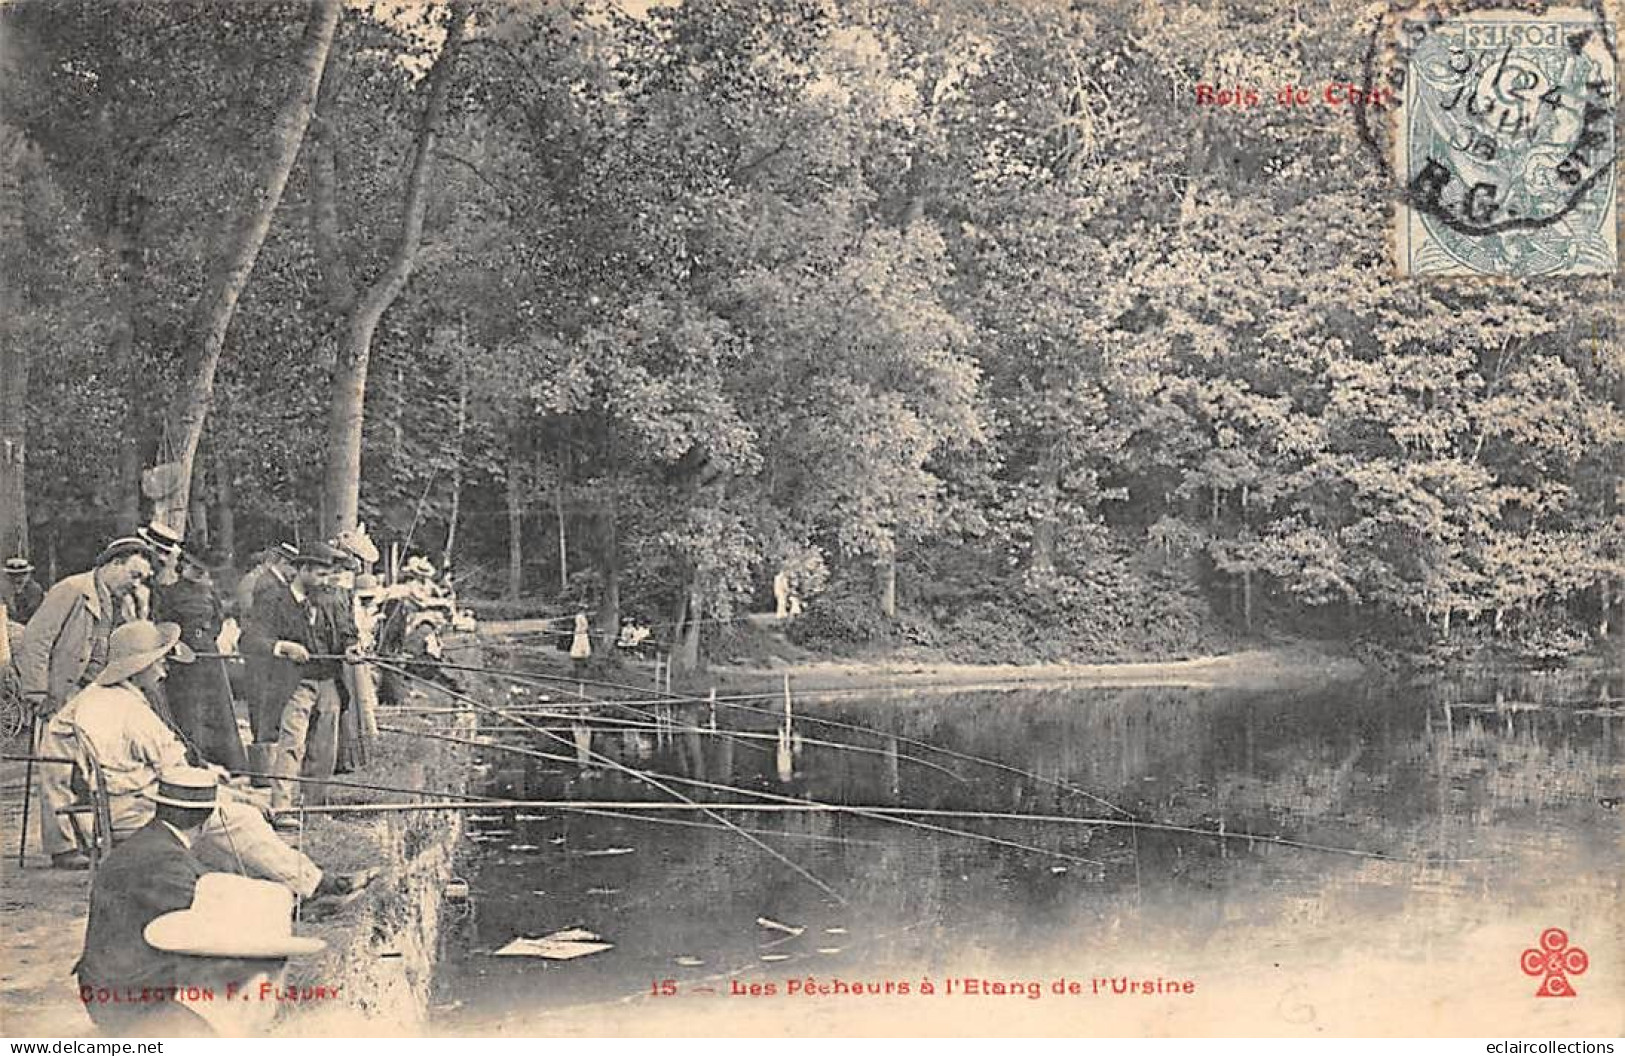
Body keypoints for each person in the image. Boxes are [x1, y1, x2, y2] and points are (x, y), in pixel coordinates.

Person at [51, 622, 373, 902]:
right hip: (143, 808)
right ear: (139, 667)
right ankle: (316, 886)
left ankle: (286, 893)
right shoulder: (130, 712)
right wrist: (230, 791)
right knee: (243, 818)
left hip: (119, 802)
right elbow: (176, 773)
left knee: (231, 819)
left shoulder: (90, 699)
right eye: (159, 661)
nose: (164, 668)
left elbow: (58, 736)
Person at [74, 769, 327, 1038]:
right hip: (128, 999)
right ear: (206, 822)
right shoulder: (170, 863)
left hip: (105, 983)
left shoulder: (143, 844)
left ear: (160, 807)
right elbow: (202, 926)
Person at [20, 537, 155, 869]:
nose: (135, 584)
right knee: (56, 768)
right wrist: (37, 692)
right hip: (59, 691)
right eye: (134, 576)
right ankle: (62, 846)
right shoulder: (71, 590)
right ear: (113, 564)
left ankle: (91, 836)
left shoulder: (122, 602)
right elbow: (36, 640)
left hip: (93, 694)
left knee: (94, 766)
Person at [242, 545, 344, 826]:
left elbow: (346, 633)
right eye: (321, 575)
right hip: (294, 681)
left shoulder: (329, 600)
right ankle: (283, 808)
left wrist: (352, 646)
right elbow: (250, 640)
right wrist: (283, 646)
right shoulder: (274, 600)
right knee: (292, 743)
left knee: (324, 748)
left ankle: (313, 807)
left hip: (328, 680)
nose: (325, 581)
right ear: (304, 570)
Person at [152, 554, 246, 771]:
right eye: (195, 568)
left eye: (202, 570)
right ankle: (195, 758)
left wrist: (207, 638)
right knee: (189, 710)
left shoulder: (208, 591)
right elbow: (164, 622)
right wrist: (182, 642)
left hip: (208, 655)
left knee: (218, 707)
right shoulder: (169, 593)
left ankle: (227, 760)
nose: (199, 573)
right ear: (184, 566)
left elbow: (218, 619)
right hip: (184, 657)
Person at [4, 556, 45, 625]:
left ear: (28, 575)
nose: (16, 579)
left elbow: (29, 614)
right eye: (12, 575)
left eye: (20, 575)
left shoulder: (34, 591)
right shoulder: (6, 590)